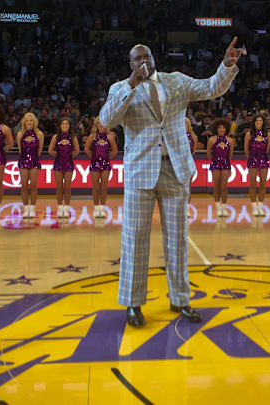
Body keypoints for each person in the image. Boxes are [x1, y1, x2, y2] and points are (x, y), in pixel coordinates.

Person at [99, 38, 243, 327]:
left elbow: (211, 87)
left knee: (177, 239)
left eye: (147, 57)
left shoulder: (175, 82)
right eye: (137, 58)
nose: (143, 62)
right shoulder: (119, 89)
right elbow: (107, 120)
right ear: (131, 64)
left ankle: (180, 299)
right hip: (141, 172)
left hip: (175, 169)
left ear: (154, 59)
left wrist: (227, 64)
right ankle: (133, 303)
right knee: (135, 240)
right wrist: (131, 84)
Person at [84, 117, 119, 218]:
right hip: (94, 164)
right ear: (96, 125)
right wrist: (93, 158)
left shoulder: (110, 136)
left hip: (106, 164)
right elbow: (86, 149)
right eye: (98, 123)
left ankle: (102, 208)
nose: (100, 125)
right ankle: (96, 209)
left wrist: (107, 158)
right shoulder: (92, 136)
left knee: (103, 188)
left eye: (102, 123)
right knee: (95, 188)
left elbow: (115, 151)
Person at [48, 117, 80, 218]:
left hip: (69, 164)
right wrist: (59, 156)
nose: (65, 126)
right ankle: (59, 208)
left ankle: (66, 208)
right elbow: (50, 150)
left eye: (66, 124)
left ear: (69, 126)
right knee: (59, 187)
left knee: (67, 187)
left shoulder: (73, 137)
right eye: (63, 124)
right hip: (58, 164)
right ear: (60, 126)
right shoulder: (56, 137)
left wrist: (68, 156)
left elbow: (77, 150)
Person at [17, 112, 44, 218]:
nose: (29, 122)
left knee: (33, 185)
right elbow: (20, 150)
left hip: (34, 161)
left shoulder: (39, 134)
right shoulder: (19, 134)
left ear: (34, 122)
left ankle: (32, 208)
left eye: (31, 120)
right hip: (23, 161)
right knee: (24, 185)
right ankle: (25, 208)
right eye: (27, 120)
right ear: (24, 122)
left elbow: (40, 150)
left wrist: (33, 158)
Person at [245, 114, 270, 217]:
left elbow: (268, 148)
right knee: (252, 185)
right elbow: (246, 149)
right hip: (252, 160)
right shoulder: (249, 134)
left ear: (263, 122)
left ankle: (260, 206)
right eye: (256, 121)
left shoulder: (267, 134)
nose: (258, 123)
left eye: (260, 121)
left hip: (264, 160)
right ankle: (254, 207)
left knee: (263, 184)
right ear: (254, 123)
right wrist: (251, 158)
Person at [207, 118, 234, 217]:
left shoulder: (230, 140)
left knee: (224, 187)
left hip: (226, 164)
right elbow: (209, 153)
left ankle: (224, 208)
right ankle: (218, 208)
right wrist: (214, 161)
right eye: (219, 128)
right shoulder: (211, 140)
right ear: (216, 129)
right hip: (215, 164)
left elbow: (230, 155)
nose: (221, 129)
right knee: (216, 186)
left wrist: (225, 161)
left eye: (223, 128)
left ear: (226, 129)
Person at [185, 118, 198, 217]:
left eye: (187, 123)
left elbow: (193, 152)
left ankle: (187, 208)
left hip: (189, 162)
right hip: (178, 163)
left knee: (188, 186)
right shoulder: (176, 136)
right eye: (183, 122)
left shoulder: (193, 137)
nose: (185, 124)